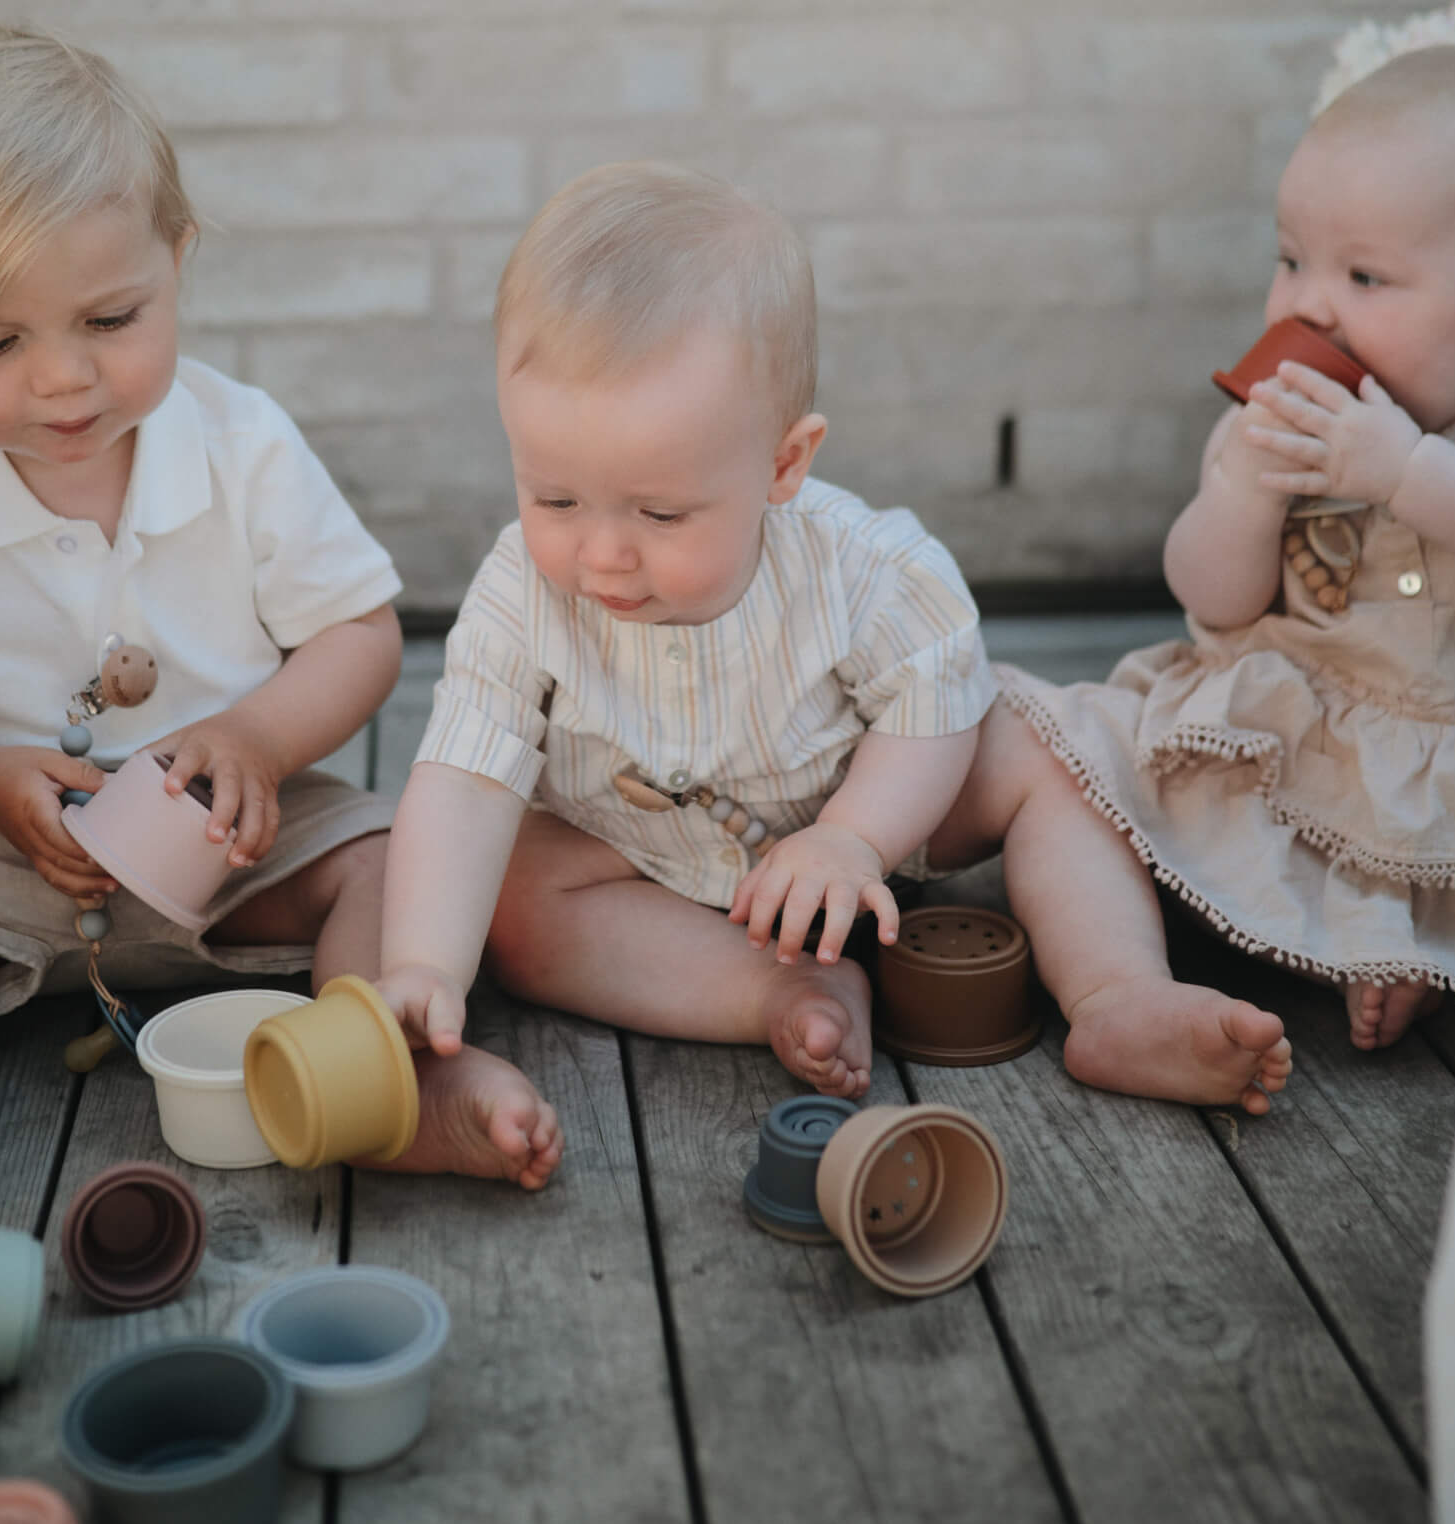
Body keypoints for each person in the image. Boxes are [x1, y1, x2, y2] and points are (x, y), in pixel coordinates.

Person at [0, 19, 559, 1250]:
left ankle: (379, 1076)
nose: (64, 380)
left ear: (178, 259)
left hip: (238, 831)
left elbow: (359, 635)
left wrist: (254, 736)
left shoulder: (241, 444)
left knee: (393, 852)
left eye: (109, 319)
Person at [926, 41, 1455, 1111]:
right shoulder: (1277, 420)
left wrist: (1406, 471)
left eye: (1364, 276)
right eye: (1292, 261)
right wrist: (1239, 489)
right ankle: (1120, 994)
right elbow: (1212, 600)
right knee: (1022, 732)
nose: (1311, 307)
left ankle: (1403, 945)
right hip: (1271, 748)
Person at [377, 162, 995, 1099]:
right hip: (638, 868)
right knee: (510, 900)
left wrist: (855, 837)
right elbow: (464, 778)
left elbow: (938, 676)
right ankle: (775, 992)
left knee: (1023, 743)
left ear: (783, 462)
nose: (604, 556)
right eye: (556, 497)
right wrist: (423, 961)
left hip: (862, 838)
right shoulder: (521, 595)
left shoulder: (854, 567)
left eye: (660, 515)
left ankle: (1118, 983)